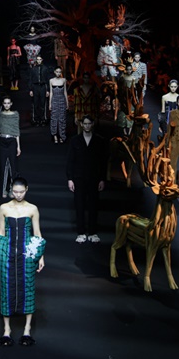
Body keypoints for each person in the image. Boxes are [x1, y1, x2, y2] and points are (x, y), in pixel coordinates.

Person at [0, 177, 45, 347]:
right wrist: (0, 254)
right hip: (7, 255)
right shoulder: (4, 208)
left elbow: (37, 233)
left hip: (27, 255)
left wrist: (41, 256)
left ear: (27, 189)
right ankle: (7, 330)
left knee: (28, 287)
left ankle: (27, 329)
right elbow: (1, 233)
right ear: (11, 190)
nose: (18, 195)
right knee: (6, 288)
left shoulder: (32, 209)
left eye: (21, 192)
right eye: (15, 192)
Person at [66, 115, 108, 243]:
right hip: (78, 177)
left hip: (94, 178)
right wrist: (70, 179)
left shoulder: (99, 141)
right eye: (85, 124)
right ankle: (80, 232)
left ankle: (93, 232)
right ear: (81, 125)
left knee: (93, 205)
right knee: (79, 205)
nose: (87, 126)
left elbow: (103, 162)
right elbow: (70, 160)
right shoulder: (75, 141)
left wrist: (102, 179)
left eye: (89, 123)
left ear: (92, 124)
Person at [0, 97, 21, 199]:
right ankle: (2, 190)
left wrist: (18, 147)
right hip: (2, 141)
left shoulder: (15, 115)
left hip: (12, 141)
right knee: (3, 167)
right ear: (3, 104)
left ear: (11, 104)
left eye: (8, 103)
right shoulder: (0, 115)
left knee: (13, 166)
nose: (7, 105)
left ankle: (12, 189)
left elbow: (16, 130)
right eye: (5, 103)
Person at [29, 56, 51, 126]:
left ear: (42, 60)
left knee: (43, 103)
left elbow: (47, 80)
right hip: (35, 86)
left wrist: (47, 90)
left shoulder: (45, 68)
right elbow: (30, 79)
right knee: (35, 103)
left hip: (43, 86)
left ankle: (43, 119)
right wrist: (31, 89)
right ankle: (35, 119)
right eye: (37, 59)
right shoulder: (33, 69)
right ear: (36, 60)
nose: (38, 61)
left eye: (40, 59)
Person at [48, 67, 68, 143]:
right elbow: (51, 92)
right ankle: (54, 135)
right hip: (54, 100)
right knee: (54, 118)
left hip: (62, 100)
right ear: (54, 72)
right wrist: (50, 103)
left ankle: (62, 135)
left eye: (60, 72)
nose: (58, 73)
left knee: (62, 118)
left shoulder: (64, 80)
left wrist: (67, 102)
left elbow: (65, 91)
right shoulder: (51, 80)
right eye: (57, 72)